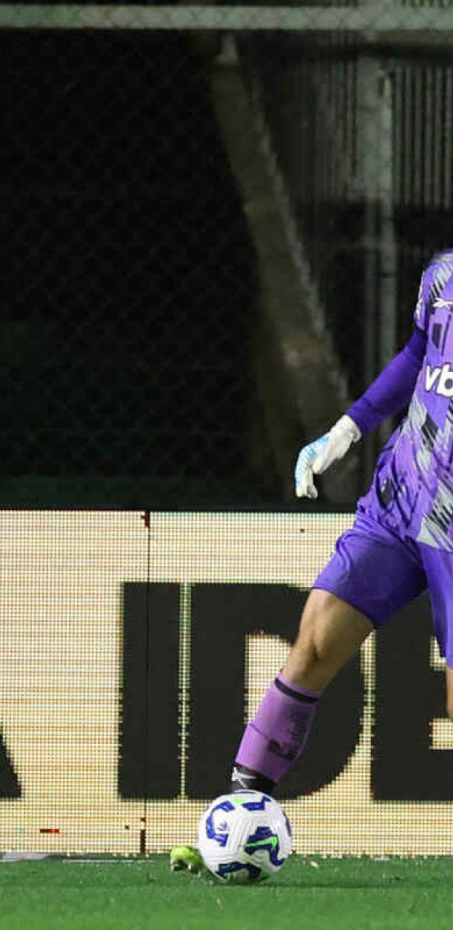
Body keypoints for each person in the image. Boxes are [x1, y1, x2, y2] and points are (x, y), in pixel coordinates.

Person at [229, 248, 453, 797]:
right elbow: (418, 353)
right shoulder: (443, 273)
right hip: (401, 497)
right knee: (315, 642)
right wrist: (348, 429)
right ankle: (241, 810)